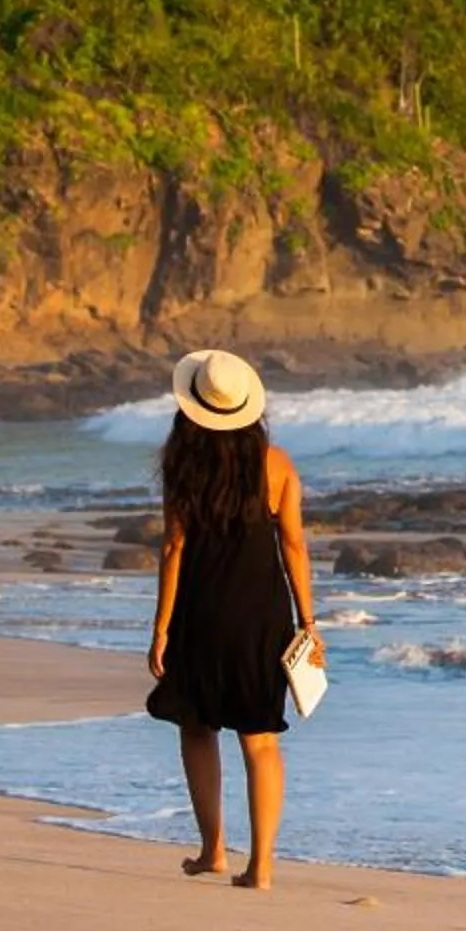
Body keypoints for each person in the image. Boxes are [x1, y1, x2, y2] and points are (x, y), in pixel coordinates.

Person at [145, 348, 324, 890]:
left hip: (200, 612)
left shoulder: (183, 467)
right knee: (260, 739)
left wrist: (161, 629)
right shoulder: (278, 464)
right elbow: (294, 545)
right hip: (262, 615)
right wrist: (309, 623)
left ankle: (213, 850)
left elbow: (173, 548)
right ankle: (261, 867)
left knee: (197, 727)